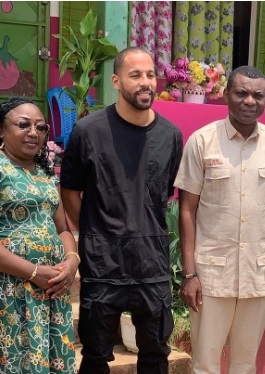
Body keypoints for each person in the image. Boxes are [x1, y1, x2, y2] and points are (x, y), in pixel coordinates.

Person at [60, 47, 183, 374]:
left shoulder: (171, 136)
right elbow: (70, 191)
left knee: (156, 354)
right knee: (97, 356)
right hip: (103, 265)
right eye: (135, 75)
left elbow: (161, 194)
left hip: (152, 265)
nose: (146, 83)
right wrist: (94, 231)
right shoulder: (89, 132)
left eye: (150, 75)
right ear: (116, 81)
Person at [174, 65, 265, 374]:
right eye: (241, 93)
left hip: (259, 273)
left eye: (257, 95)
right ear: (226, 95)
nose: (249, 101)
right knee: (205, 364)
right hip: (211, 274)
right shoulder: (202, 142)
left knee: (245, 364)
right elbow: (186, 209)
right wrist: (189, 274)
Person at [0, 97, 79, 373]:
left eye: (41, 127)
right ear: (1, 130)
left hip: (50, 290)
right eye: (23, 125)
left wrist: (71, 261)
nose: (33, 132)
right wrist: (34, 272)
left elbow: (63, 229)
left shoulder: (44, 175)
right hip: (9, 290)